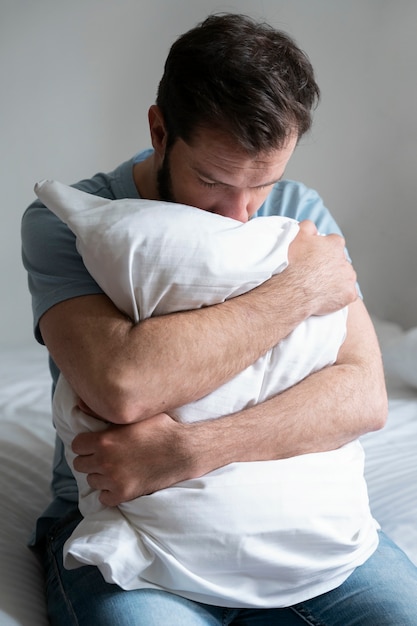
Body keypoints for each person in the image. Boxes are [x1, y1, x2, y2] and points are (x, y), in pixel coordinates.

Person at [21, 12, 417, 626]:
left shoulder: (298, 208)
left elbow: (364, 395)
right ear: (159, 130)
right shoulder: (68, 221)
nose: (239, 214)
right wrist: (301, 287)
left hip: (293, 525)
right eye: (212, 180)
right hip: (128, 530)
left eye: (262, 184)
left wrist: (188, 451)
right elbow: (122, 385)